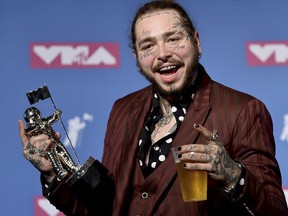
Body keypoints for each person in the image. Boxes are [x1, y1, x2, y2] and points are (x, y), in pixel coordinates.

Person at [19, 1, 288, 215]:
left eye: (173, 39)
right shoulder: (123, 110)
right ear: (137, 58)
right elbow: (103, 209)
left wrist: (233, 173)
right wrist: (53, 171)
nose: (162, 54)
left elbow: (275, 209)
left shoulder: (242, 110)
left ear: (196, 42)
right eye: (148, 45)